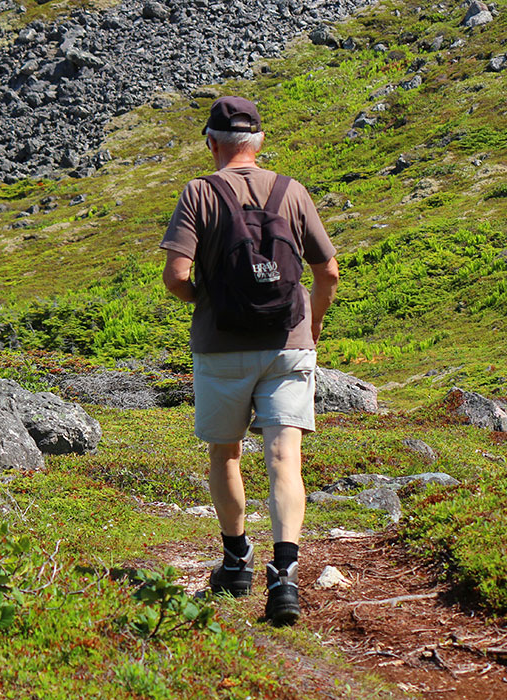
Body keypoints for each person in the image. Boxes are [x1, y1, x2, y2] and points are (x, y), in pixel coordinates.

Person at [159, 96, 339, 625]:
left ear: (212, 143)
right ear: (258, 144)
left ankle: (237, 561)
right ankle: (285, 578)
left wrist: (208, 300)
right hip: (290, 342)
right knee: (285, 459)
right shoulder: (292, 191)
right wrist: (315, 324)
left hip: (222, 347)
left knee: (226, 454)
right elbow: (327, 271)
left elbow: (175, 278)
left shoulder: (199, 192)